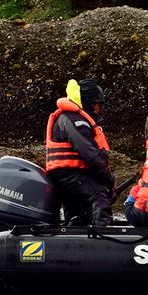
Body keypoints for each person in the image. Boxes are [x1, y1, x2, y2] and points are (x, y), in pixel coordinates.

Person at [45, 78, 113, 227]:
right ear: (88, 102)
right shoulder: (75, 120)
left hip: (68, 176)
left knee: (77, 209)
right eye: (97, 105)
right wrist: (108, 179)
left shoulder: (69, 118)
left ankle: (74, 234)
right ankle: (105, 241)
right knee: (99, 197)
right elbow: (90, 154)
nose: (99, 110)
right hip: (70, 176)